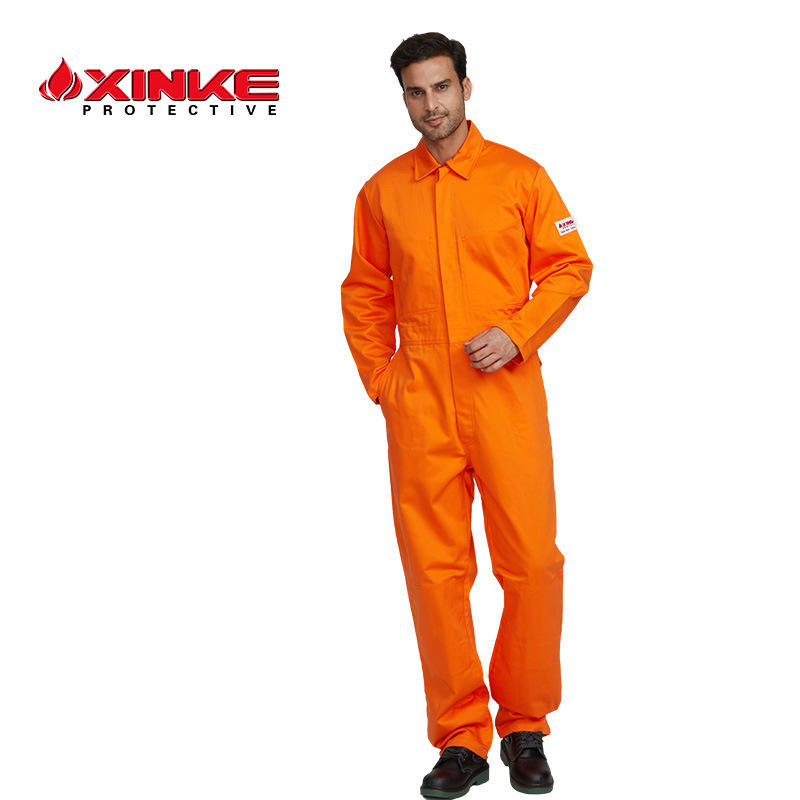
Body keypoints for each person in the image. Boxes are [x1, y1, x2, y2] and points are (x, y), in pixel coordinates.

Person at [341, 31, 593, 798]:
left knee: (533, 562)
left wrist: (517, 332)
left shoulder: (521, 177)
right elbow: (364, 293)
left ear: (466, 87)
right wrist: (384, 381)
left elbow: (570, 267)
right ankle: (460, 739)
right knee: (435, 572)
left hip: (505, 393)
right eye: (416, 92)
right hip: (421, 402)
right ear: (404, 98)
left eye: (442, 87)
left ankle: (525, 726)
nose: (431, 104)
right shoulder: (382, 192)